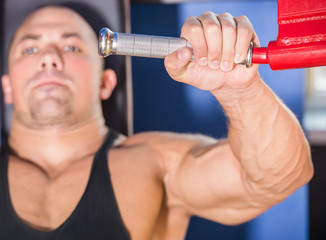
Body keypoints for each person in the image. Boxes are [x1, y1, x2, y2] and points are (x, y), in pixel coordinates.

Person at [0, 5, 313, 240]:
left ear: (105, 83)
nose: (49, 57)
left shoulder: (155, 163)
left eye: (72, 46)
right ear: (7, 86)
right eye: (30, 48)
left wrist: (240, 90)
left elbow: (278, 180)